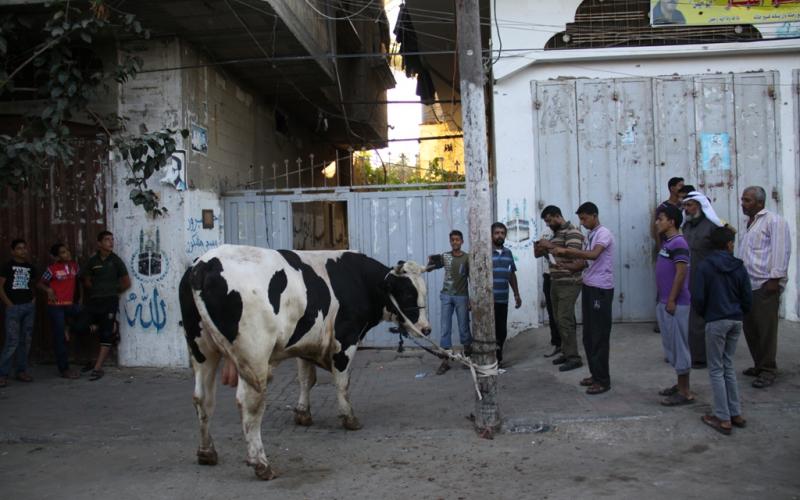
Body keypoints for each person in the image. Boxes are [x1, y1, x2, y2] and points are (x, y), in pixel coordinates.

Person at [691, 227, 751, 435]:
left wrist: (706, 313)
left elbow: (698, 296)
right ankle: (735, 413)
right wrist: (740, 311)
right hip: (735, 319)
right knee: (728, 365)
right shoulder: (738, 266)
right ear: (728, 244)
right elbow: (747, 296)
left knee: (716, 369)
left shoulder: (706, 266)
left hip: (716, 319)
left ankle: (722, 417)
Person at [552, 202, 615, 395]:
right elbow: (584, 262)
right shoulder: (590, 235)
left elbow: (594, 255)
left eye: (584, 218)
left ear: (594, 216)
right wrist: (565, 265)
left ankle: (603, 380)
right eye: (580, 218)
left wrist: (567, 251)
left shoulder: (603, 233)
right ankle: (595, 375)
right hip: (589, 286)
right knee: (588, 335)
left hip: (600, 290)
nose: (582, 222)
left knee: (599, 336)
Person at [738, 186, 791, 389]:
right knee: (751, 328)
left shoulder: (774, 222)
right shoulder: (748, 223)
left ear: (760, 203)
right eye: (743, 199)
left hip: (765, 284)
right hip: (747, 284)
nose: (743, 203)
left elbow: (781, 251)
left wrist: (775, 280)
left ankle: (768, 369)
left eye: (748, 200)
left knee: (766, 329)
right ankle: (759, 365)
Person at [534, 206, 585, 372]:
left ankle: (574, 358)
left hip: (569, 282)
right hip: (556, 280)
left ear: (558, 216)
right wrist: (541, 248)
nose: (548, 224)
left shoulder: (573, 232)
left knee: (564, 319)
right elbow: (551, 256)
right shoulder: (554, 234)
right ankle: (566, 351)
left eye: (549, 220)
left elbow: (573, 255)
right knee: (558, 319)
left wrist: (548, 245)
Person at [654, 205, 694, 406]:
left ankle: (685, 392)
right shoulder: (667, 242)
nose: (657, 222)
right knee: (671, 346)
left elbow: (681, 273)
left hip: (676, 303)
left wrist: (671, 299)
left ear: (672, 221)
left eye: (661, 219)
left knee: (680, 348)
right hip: (665, 302)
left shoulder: (679, 243)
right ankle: (680, 385)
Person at [78, 231, 131, 381]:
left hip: (110, 301)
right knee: (80, 327)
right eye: (107, 240)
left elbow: (127, 282)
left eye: (112, 239)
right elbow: (85, 278)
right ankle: (104, 326)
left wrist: (114, 291)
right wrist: (93, 288)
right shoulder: (93, 261)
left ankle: (97, 368)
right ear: (99, 243)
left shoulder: (116, 261)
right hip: (94, 301)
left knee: (106, 335)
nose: (111, 242)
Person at [682, 191, 726, 369]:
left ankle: (706, 356)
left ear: (699, 206)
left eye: (690, 205)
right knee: (693, 316)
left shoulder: (713, 226)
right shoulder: (686, 226)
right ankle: (696, 354)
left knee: (707, 317)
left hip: (709, 277)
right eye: (685, 205)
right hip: (689, 277)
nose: (686, 209)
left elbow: (723, 251)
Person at [428, 230, 471, 375]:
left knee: (464, 326)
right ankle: (445, 361)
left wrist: (471, 299)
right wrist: (430, 262)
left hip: (462, 297)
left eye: (458, 240)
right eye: (452, 240)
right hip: (446, 296)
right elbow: (431, 267)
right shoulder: (445, 256)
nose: (455, 242)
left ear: (462, 241)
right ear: (450, 242)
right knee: (445, 328)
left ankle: (467, 358)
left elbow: (472, 278)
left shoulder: (467, 258)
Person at [38, 243, 82, 379]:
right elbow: (40, 283)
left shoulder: (75, 266)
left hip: (70, 305)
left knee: (87, 314)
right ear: (56, 256)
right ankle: (64, 369)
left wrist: (80, 299)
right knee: (60, 339)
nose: (67, 253)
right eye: (63, 252)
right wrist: (48, 289)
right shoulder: (51, 269)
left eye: (67, 250)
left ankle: (67, 327)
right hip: (56, 307)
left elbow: (79, 282)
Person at [0, 239, 37, 387]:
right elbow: (0, 287)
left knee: (25, 341)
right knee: (12, 342)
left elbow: (33, 285)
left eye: (24, 248)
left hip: (28, 307)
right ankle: (2, 374)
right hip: (13, 308)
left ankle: (21, 371)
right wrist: (9, 304)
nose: (23, 251)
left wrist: (33, 299)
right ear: (13, 251)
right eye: (19, 248)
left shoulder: (30, 267)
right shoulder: (7, 267)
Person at [491, 222, 521, 367]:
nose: (500, 235)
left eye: (502, 233)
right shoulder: (485, 253)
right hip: (488, 301)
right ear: (491, 235)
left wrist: (516, 294)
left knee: (501, 331)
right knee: (490, 330)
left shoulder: (508, 253)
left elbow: (511, 274)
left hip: (503, 299)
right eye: (497, 233)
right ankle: (491, 359)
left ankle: (498, 357)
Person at [539, 225, 561, 358]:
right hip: (548, 275)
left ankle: (568, 344)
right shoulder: (545, 232)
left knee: (565, 312)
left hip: (563, 274)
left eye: (549, 220)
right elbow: (537, 251)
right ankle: (557, 343)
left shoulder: (566, 231)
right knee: (552, 312)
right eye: (546, 221)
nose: (548, 223)